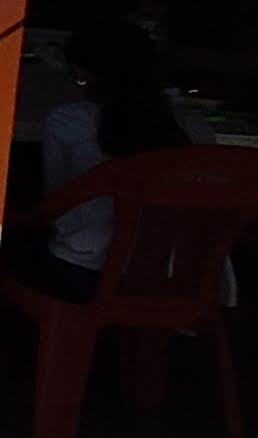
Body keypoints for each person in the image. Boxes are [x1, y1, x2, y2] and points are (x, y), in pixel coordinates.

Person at [25, 24, 192, 303]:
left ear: (83, 74)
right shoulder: (181, 125)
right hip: (159, 277)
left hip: (79, 273)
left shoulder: (66, 122)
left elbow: (53, 202)